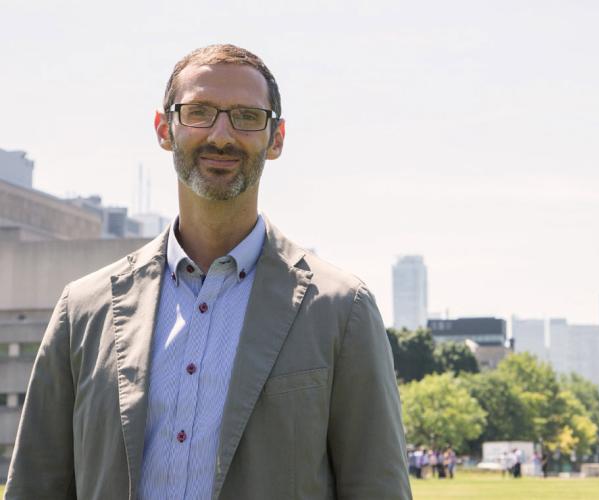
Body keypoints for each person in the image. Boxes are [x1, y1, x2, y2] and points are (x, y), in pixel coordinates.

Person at [5, 44, 412, 500]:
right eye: (198, 112)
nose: (222, 134)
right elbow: (35, 487)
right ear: (165, 129)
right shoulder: (83, 311)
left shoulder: (342, 310)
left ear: (276, 138)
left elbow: (378, 488)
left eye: (247, 116)